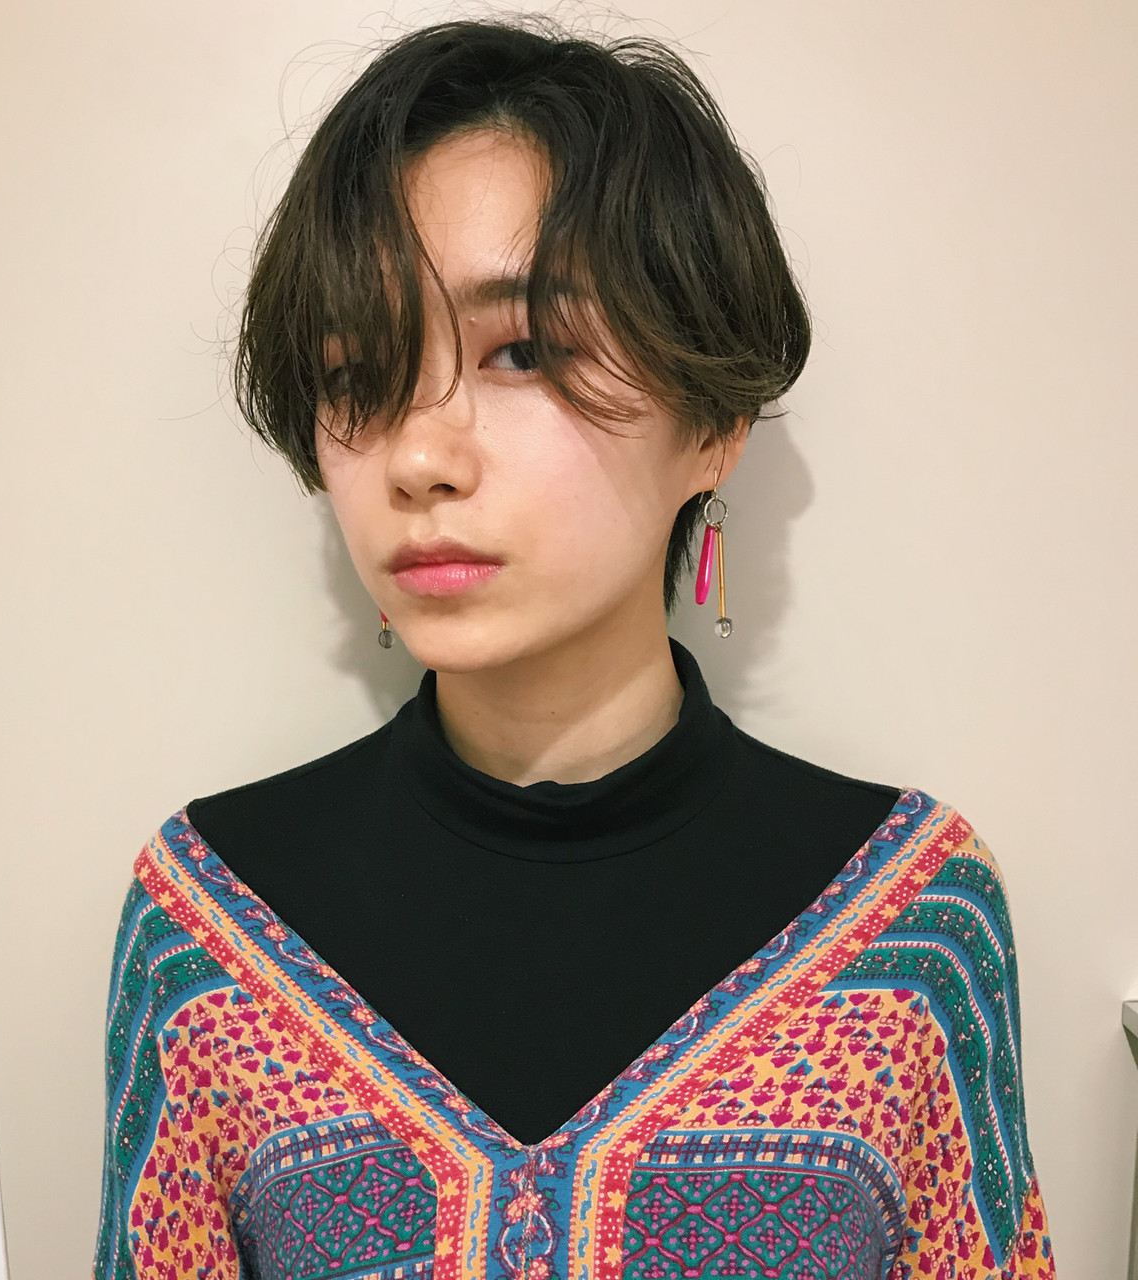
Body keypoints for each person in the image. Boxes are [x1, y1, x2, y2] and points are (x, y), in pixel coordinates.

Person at [94, 17, 1054, 1280]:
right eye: (356, 373)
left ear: (711, 422)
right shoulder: (206, 931)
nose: (417, 457)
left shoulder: (913, 932)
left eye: (521, 351)